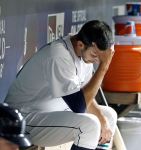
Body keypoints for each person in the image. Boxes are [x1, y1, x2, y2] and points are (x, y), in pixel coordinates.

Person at [5, 20, 117, 150]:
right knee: (88, 125)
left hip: (50, 113)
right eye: (94, 55)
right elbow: (79, 106)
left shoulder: (85, 53)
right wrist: (104, 66)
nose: (97, 61)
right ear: (80, 44)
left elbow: (86, 99)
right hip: (24, 119)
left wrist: (103, 119)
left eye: (101, 58)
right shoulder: (59, 54)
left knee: (109, 115)